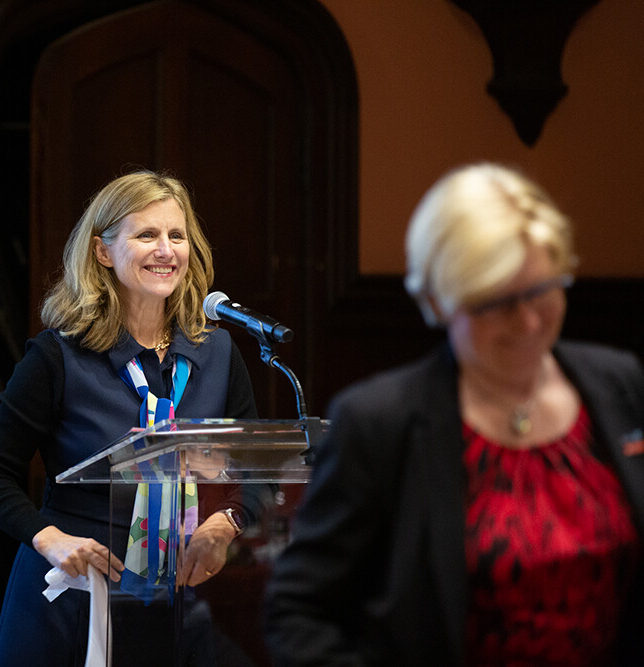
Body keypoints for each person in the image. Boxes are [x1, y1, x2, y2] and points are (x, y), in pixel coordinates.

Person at [263, 163, 644, 665]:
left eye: (542, 291)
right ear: (437, 302)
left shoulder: (617, 383)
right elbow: (297, 613)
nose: (528, 321)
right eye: (498, 303)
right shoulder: (380, 422)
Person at [0, 170, 259, 665]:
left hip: (181, 604)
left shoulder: (217, 353)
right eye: (146, 235)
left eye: (176, 235)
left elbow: (253, 469)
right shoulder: (57, 356)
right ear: (103, 252)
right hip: (76, 599)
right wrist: (50, 539)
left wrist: (226, 524)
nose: (166, 250)